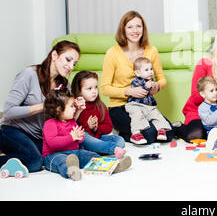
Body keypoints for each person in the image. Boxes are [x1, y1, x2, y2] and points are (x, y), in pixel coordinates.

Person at [0, 40, 82, 173]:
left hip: (38, 136)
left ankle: (10, 156)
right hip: (12, 130)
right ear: (54, 55)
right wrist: (45, 106)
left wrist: (76, 109)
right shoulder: (29, 75)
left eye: (74, 63)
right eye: (68, 59)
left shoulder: (64, 85)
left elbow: (64, 121)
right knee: (35, 161)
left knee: (66, 151)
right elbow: (8, 112)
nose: (71, 66)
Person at [101, 10, 174, 144]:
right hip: (119, 107)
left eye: (138, 26)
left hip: (145, 106)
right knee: (150, 134)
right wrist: (129, 91)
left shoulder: (151, 51)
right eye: (130, 27)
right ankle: (121, 134)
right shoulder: (113, 53)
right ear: (123, 30)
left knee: (168, 133)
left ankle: (132, 132)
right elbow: (104, 89)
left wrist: (157, 87)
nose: (135, 30)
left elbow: (161, 78)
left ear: (143, 29)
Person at [42, 88, 131, 180]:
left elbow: (79, 139)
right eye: (71, 106)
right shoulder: (50, 123)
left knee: (92, 156)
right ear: (58, 109)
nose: (74, 109)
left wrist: (79, 137)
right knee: (62, 162)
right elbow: (52, 142)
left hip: (75, 152)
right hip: (54, 155)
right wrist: (71, 137)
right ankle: (71, 171)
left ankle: (112, 167)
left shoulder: (71, 121)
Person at [71, 71, 126, 159]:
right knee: (83, 136)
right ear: (79, 91)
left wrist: (96, 128)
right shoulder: (75, 106)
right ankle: (110, 149)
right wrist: (87, 126)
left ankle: (98, 149)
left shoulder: (100, 105)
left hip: (98, 137)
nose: (94, 92)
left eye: (96, 87)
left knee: (120, 141)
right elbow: (70, 127)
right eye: (89, 88)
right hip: (84, 139)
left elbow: (109, 127)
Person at [125, 57, 172, 144]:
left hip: (148, 106)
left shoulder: (151, 80)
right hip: (136, 105)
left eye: (151, 69)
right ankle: (135, 133)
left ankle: (161, 130)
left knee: (157, 115)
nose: (150, 72)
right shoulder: (136, 81)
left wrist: (155, 87)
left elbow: (151, 92)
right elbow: (140, 90)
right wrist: (147, 86)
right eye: (146, 70)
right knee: (137, 116)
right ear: (138, 73)